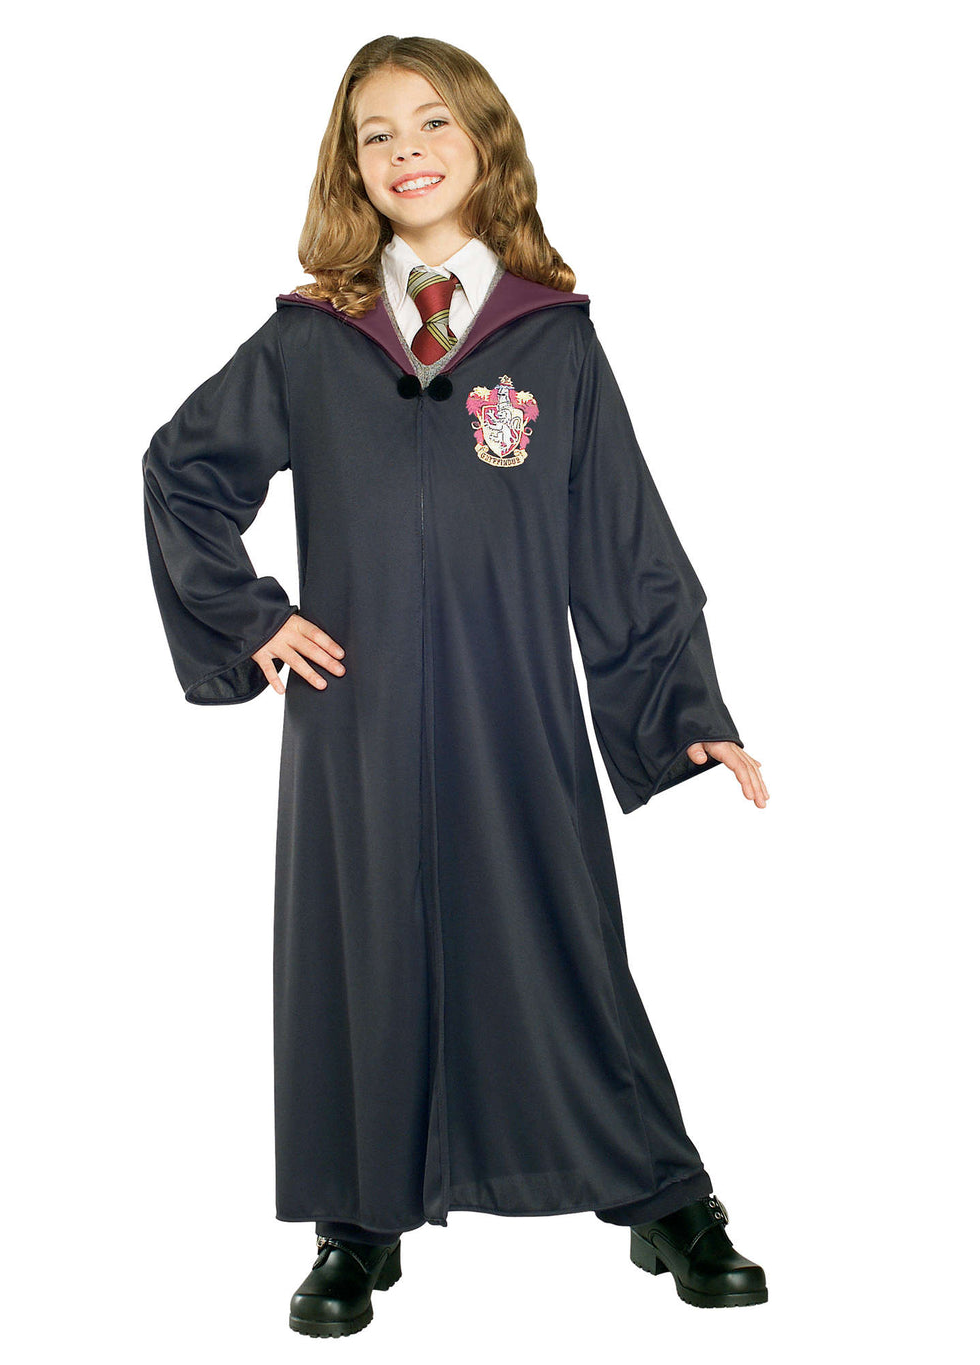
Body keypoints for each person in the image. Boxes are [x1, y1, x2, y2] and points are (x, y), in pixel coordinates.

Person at [142, 35, 771, 1339]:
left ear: (484, 141)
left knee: (564, 941)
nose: (407, 149)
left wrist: (686, 714)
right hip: (357, 713)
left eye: (432, 121)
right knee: (359, 946)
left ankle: (661, 1192)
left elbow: (623, 540)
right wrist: (253, 619)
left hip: (513, 705)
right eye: (375, 132)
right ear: (350, 166)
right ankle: (354, 1219)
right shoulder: (314, 339)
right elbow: (183, 471)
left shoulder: (551, 340)